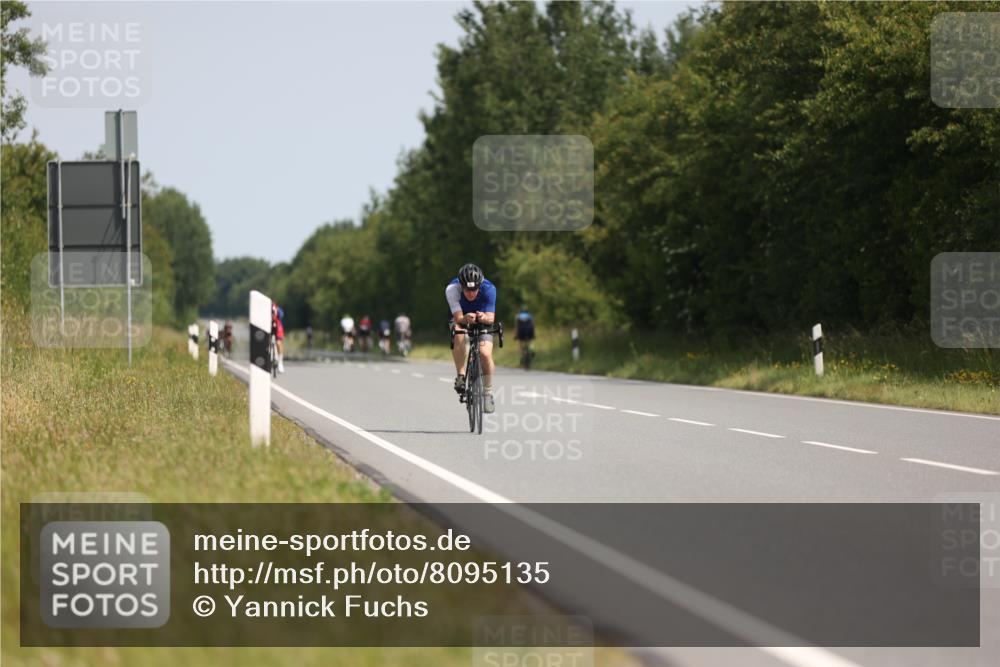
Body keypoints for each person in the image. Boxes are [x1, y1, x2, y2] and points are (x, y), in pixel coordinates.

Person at [445, 263, 497, 414]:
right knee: (457, 330)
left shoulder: (489, 289)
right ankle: (461, 375)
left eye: (474, 290)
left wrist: (482, 317)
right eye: (467, 290)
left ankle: (487, 392)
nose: (471, 293)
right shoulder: (452, 289)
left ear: (480, 285)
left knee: (485, 353)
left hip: (482, 321)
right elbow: (458, 318)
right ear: (461, 286)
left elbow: (491, 318)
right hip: (462, 318)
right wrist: (465, 318)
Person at [271, 303, 285, 373]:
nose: (272, 314)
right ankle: (272, 356)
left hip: (277, 326)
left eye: (273, 313)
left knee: (278, 343)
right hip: (268, 325)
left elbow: (281, 315)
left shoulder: (278, 310)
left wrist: (277, 312)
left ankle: (280, 363)